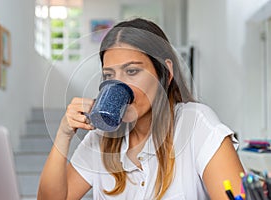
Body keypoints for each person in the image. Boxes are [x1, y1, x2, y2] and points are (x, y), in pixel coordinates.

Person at [38, 18, 244, 200]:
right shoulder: (102, 138)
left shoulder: (197, 124)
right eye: (110, 75)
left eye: (132, 71)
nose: (119, 85)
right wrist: (63, 134)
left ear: (166, 72)